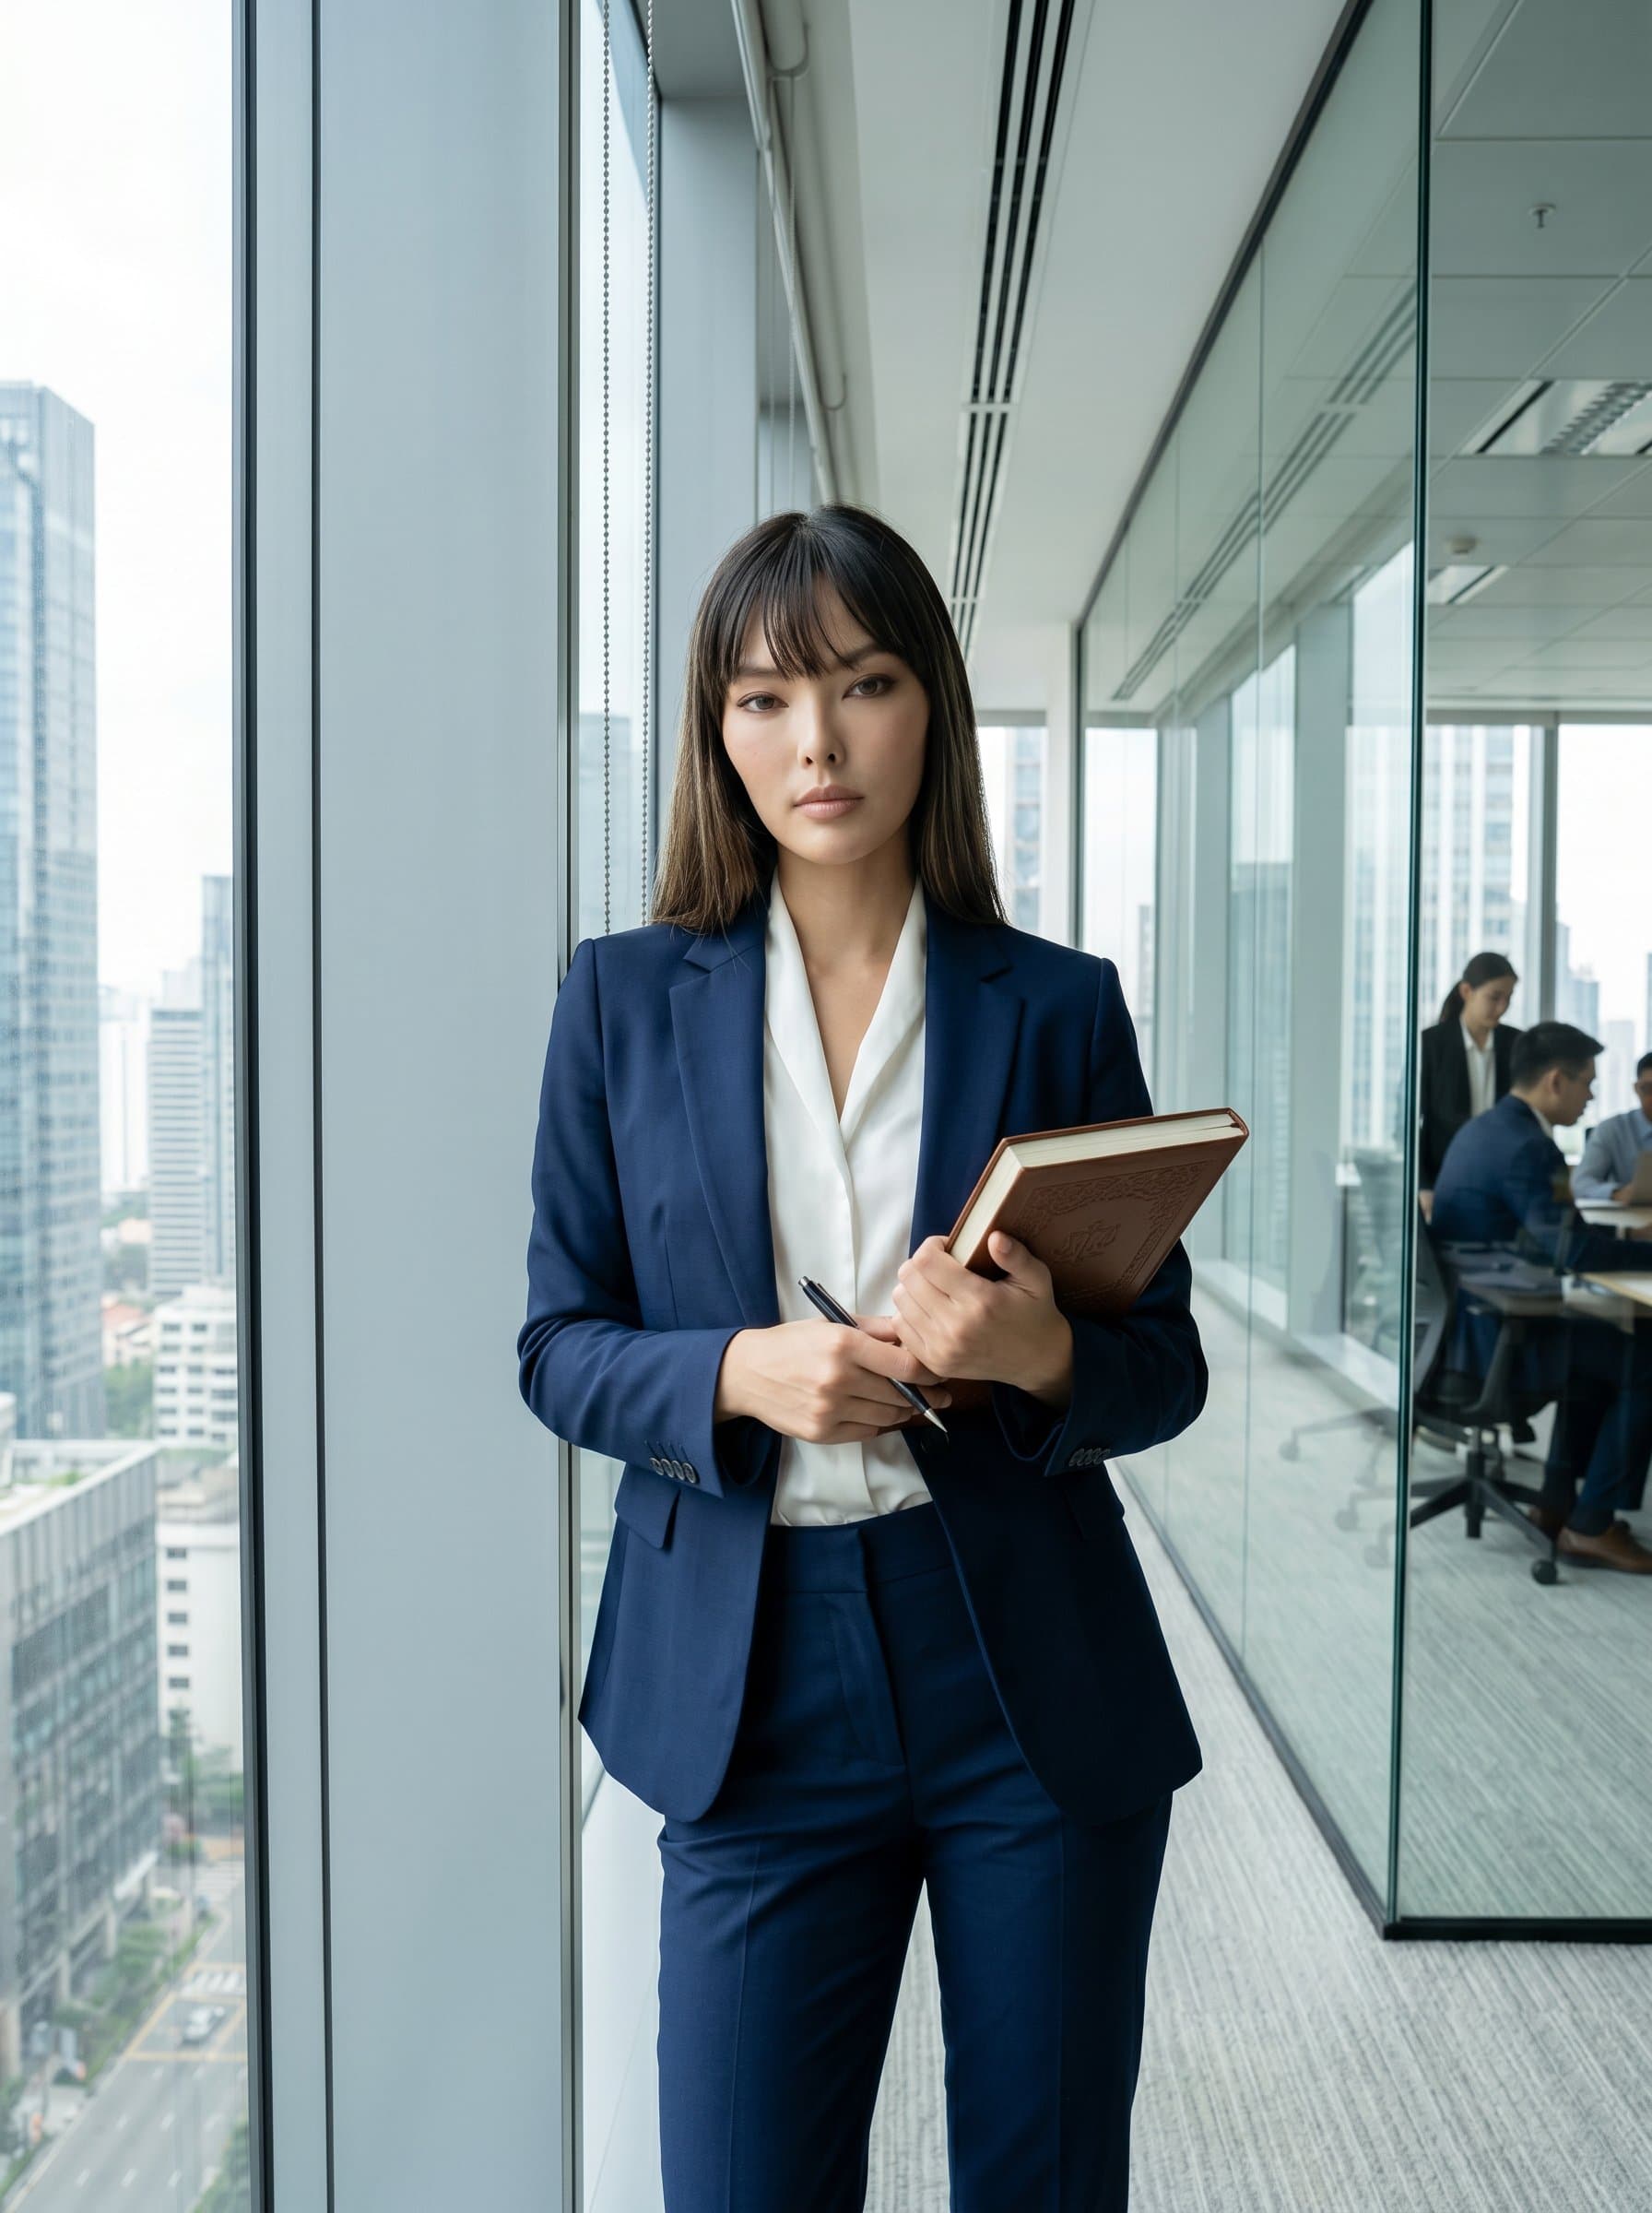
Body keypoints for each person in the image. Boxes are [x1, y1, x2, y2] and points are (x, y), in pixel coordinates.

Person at [517, 504, 1207, 2210]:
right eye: (760, 699)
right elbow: (555, 1343)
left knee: (1043, 2182)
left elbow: (1166, 1364)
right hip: (749, 1687)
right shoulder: (620, 1002)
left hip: (1024, 1674)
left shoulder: (1052, 1004)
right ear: (714, 731)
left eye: (862, 683)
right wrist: (737, 1372)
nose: (812, 742)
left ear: (931, 711)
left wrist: (1044, 1351)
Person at [1430, 1021, 1652, 1571]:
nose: (1592, 1097)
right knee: (1642, 1354)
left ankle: (1559, 1507)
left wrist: (1619, 1243)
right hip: (1498, 1337)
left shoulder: (1484, 1131)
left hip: (1473, 1325)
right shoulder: (1531, 1148)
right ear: (1556, 1081)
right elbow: (1570, 1251)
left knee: (1607, 1344)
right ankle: (1593, 1525)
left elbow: (1560, 1234)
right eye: (1588, 1084)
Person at [1417, 951, 1521, 1219]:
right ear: (1466, 991)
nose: (1502, 1007)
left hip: (1502, 1185)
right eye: (1494, 997)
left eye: (1508, 998)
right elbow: (1406, 1126)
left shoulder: (1517, 1045)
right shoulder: (1431, 1045)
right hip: (1444, 1184)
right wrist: (1423, 1186)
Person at [1572, 1049, 1652, 1203]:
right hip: (1631, 1221)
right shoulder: (1612, 1129)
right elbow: (1581, 1184)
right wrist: (1616, 1192)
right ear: (1636, 1088)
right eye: (1649, 1089)